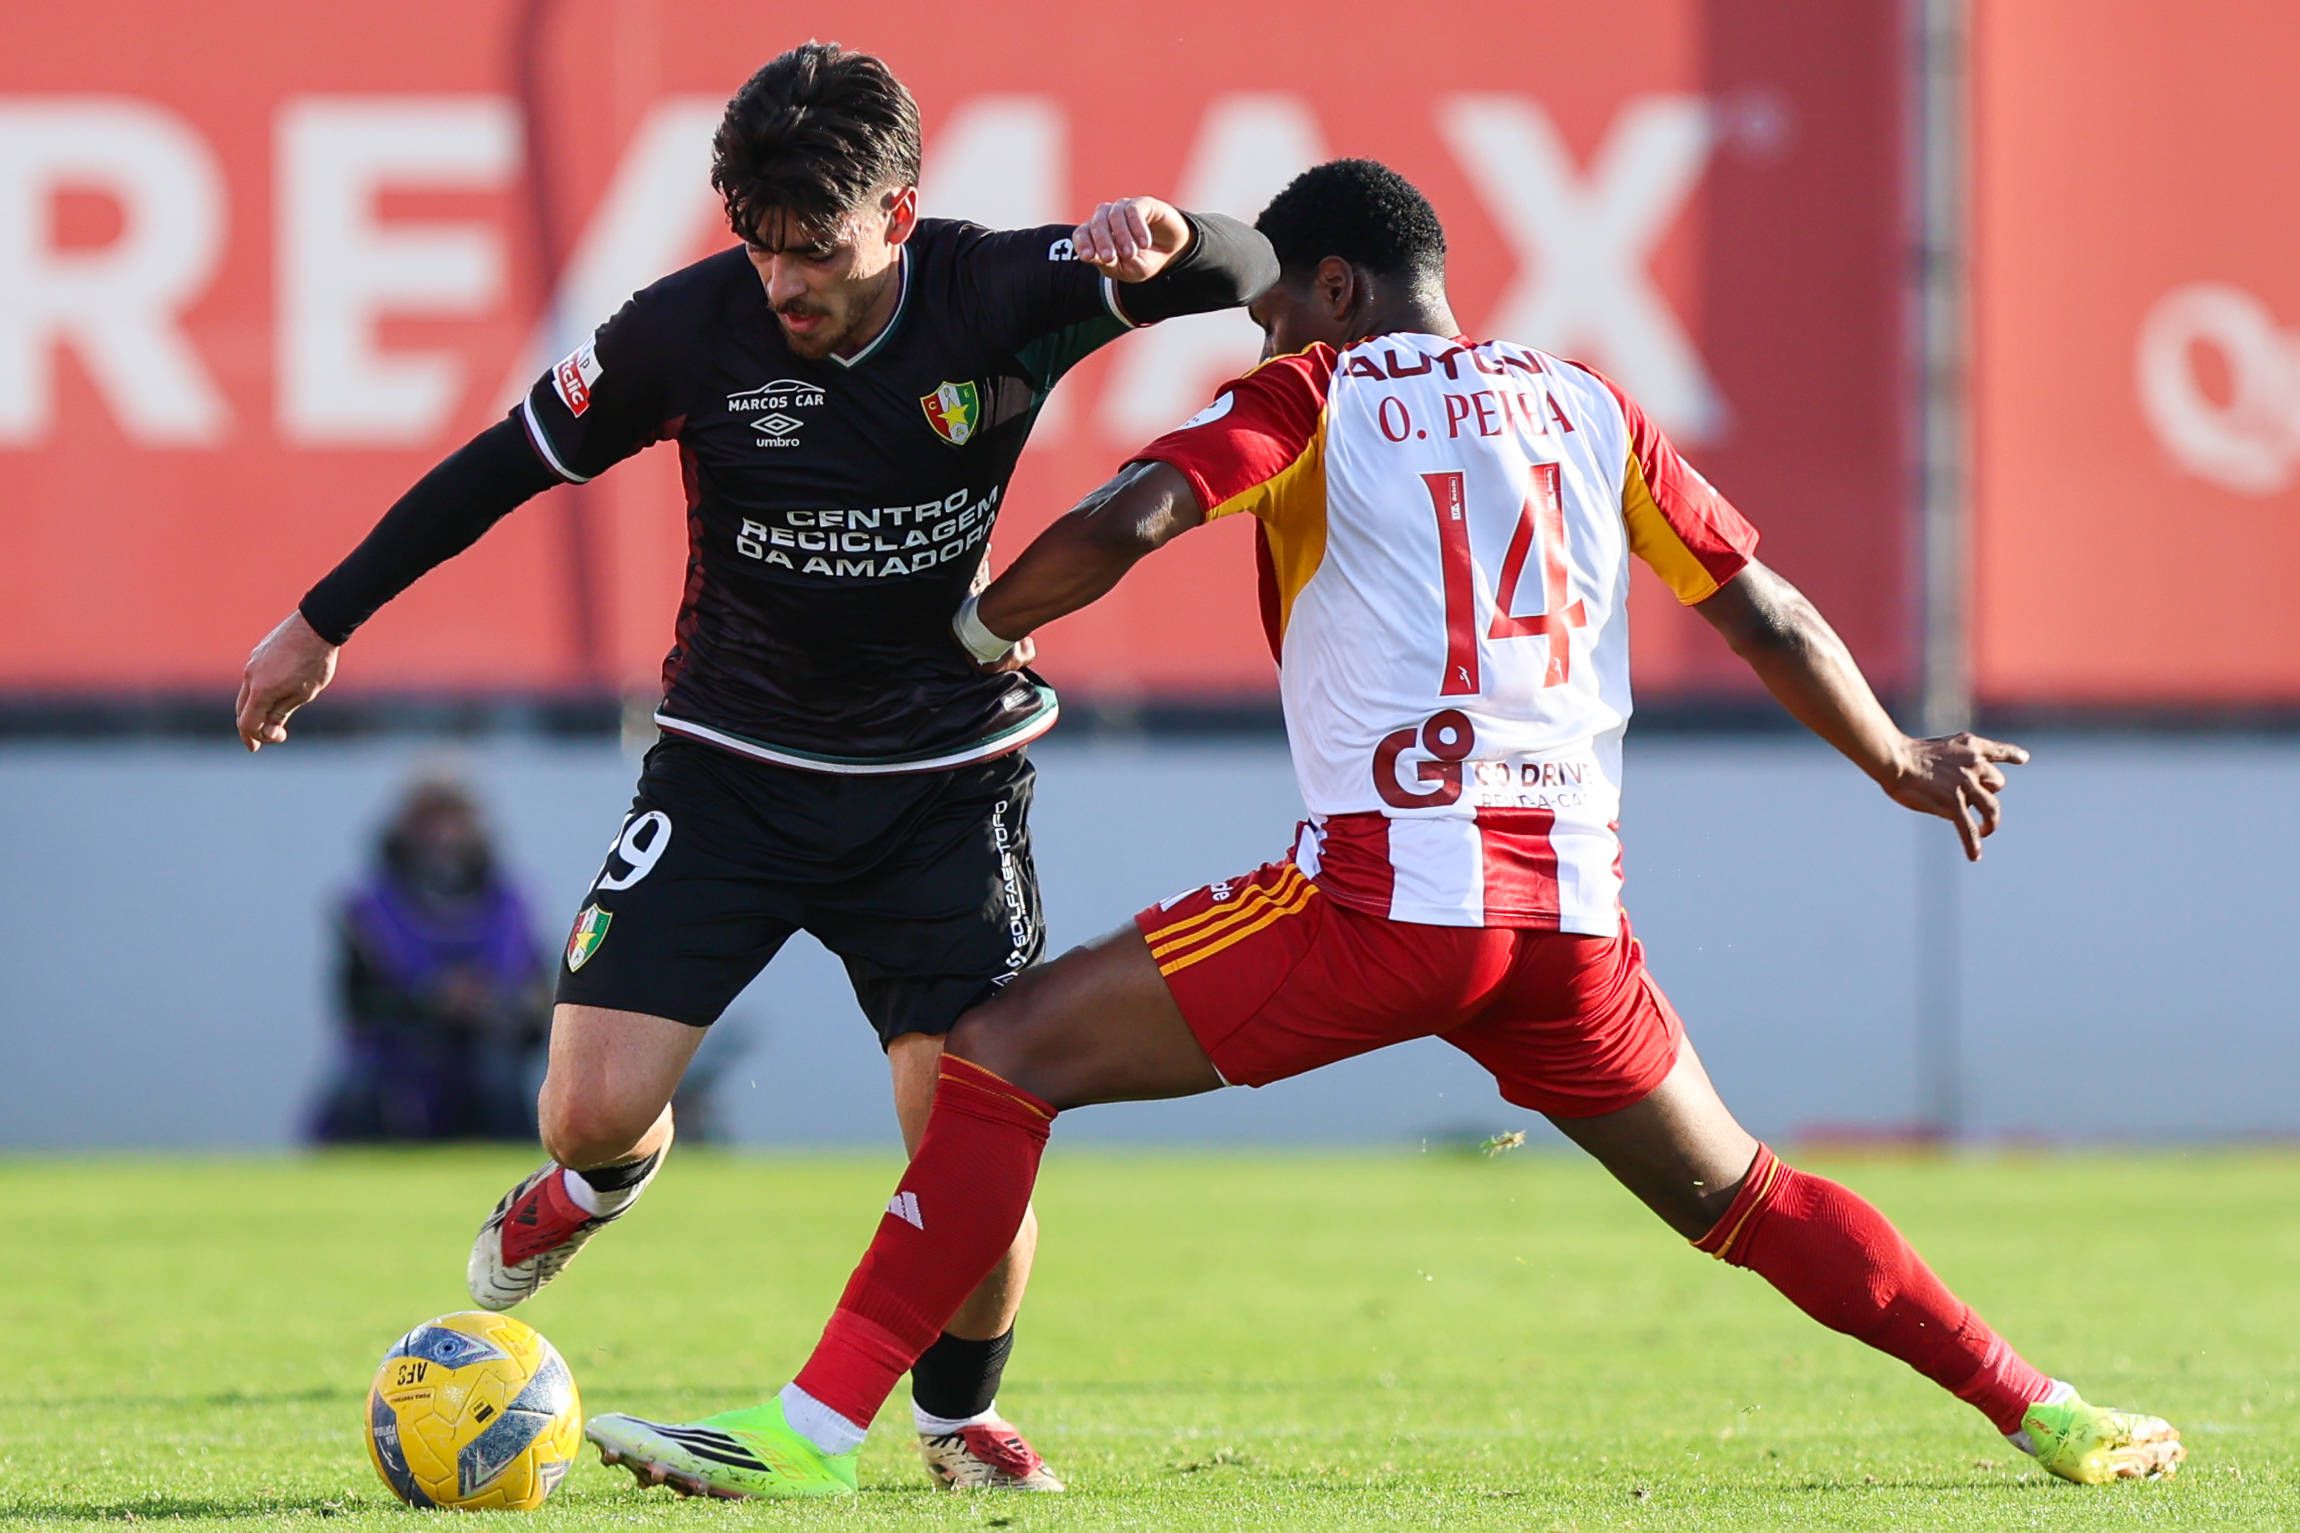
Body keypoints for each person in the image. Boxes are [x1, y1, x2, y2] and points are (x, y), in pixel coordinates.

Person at [576, 160, 2185, 1498]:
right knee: (1744, 1196)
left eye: (1275, 298)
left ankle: (810, 1436)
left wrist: (986, 627)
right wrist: (1897, 754)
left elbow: (1134, 514)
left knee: (997, 1055)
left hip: (1378, 906)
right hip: (1568, 929)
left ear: (1334, 289)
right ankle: (2042, 1406)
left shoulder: (1315, 389)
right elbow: (1760, 610)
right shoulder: (1587, 406)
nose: (1260, 324)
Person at [233, 41, 1277, 1492]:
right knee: (587, 1109)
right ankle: (597, 1183)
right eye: (762, 246)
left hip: (941, 788)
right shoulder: (690, 330)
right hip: (729, 772)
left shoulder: (1001, 291)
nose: (786, 282)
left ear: (901, 215)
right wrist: (317, 621)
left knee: (969, 1130)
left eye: (819, 251)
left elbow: (1253, 263)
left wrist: (1172, 234)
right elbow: (498, 467)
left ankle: (953, 1414)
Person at [310, 774, 548, 1143]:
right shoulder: (369, 910)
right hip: (397, 1060)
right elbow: (356, 1006)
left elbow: (542, 1002)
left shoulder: (511, 907)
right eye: (431, 821)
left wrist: (505, 1005)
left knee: (502, 1084)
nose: (444, 835)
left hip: (486, 1054)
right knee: (359, 1096)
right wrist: (432, 1000)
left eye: (455, 820)